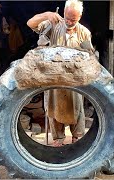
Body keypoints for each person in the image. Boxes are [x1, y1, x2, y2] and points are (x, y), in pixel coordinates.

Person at [27, 0, 93, 146]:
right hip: (54, 80)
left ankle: (77, 138)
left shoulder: (84, 33)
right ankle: (58, 139)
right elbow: (30, 24)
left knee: (76, 109)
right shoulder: (53, 24)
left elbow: (89, 56)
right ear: (63, 12)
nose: (69, 22)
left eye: (73, 19)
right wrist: (46, 15)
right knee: (53, 108)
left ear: (80, 17)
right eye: (67, 17)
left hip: (73, 81)